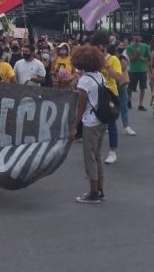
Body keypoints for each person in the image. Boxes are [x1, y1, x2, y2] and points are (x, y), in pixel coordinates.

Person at [68, 45, 108, 204]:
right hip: (102, 120)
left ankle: (93, 192)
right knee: (98, 156)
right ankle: (100, 190)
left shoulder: (84, 81)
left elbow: (81, 107)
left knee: (89, 158)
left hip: (90, 122)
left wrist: (74, 127)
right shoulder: (100, 76)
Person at [91, 31, 124, 164]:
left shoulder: (113, 59)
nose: (100, 49)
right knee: (95, 123)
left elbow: (119, 77)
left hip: (110, 94)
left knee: (111, 123)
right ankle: (95, 151)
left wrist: (107, 66)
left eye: (102, 46)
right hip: (95, 94)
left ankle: (112, 151)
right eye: (97, 46)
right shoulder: (93, 59)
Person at [115, 41, 135, 135]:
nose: (121, 47)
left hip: (122, 84)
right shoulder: (112, 57)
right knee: (111, 106)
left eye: (122, 46)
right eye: (119, 45)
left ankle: (126, 126)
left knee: (123, 106)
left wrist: (123, 60)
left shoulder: (124, 57)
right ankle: (108, 125)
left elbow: (125, 66)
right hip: (112, 84)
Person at [126, 34, 150, 111]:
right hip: (133, 70)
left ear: (141, 38)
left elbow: (149, 58)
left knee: (142, 87)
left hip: (143, 70)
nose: (137, 38)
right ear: (133, 38)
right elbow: (131, 59)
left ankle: (140, 104)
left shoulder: (145, 46)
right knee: (130, 88)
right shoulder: (129, 47)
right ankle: (128, 100)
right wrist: (136, 52)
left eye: (138, 37)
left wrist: (144, 59)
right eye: (135, 37)